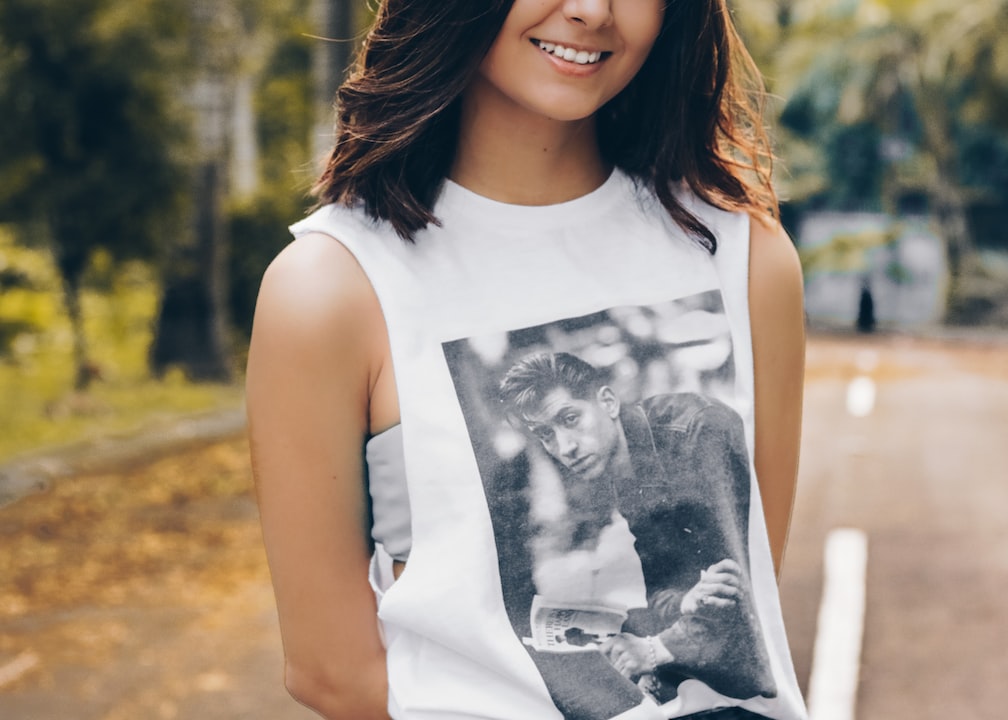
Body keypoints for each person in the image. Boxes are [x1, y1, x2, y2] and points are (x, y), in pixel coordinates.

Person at [245, 0, 807, 719]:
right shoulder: (331, 289)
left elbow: (752, 588)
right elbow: (331, 672)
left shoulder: (743, 255)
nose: (591, 11)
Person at [498, 351, 775, 704]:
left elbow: (734, 581)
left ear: (608, 402)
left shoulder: (698, 432)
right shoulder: (619, 465)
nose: (564, 447)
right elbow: (663, 586)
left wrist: (655, 649)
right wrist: (680, 607)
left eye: (570, 418)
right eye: (545, 435)